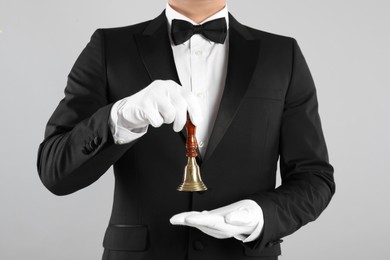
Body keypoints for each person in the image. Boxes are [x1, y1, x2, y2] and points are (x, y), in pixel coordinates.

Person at [37, 0, 335, 259]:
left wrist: (258, 214)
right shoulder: (109, 48)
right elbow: (54, 170)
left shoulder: (283, 55)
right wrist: (121, 117)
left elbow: (315, 178)